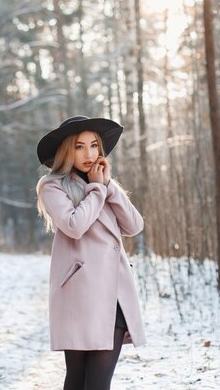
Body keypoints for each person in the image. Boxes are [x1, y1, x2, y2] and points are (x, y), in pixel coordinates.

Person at [35, 115, 146, 390]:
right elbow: (74, 226)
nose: (89, 153)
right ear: (67, 151)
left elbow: (134, 226)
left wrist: (108, 186)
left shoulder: (104, 185)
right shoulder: (52, 186)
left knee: (98, 383)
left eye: (94, 145)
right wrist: (96, 189)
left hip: (115, 294)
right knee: (77, 379)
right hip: (80, 295)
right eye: (80, 147)